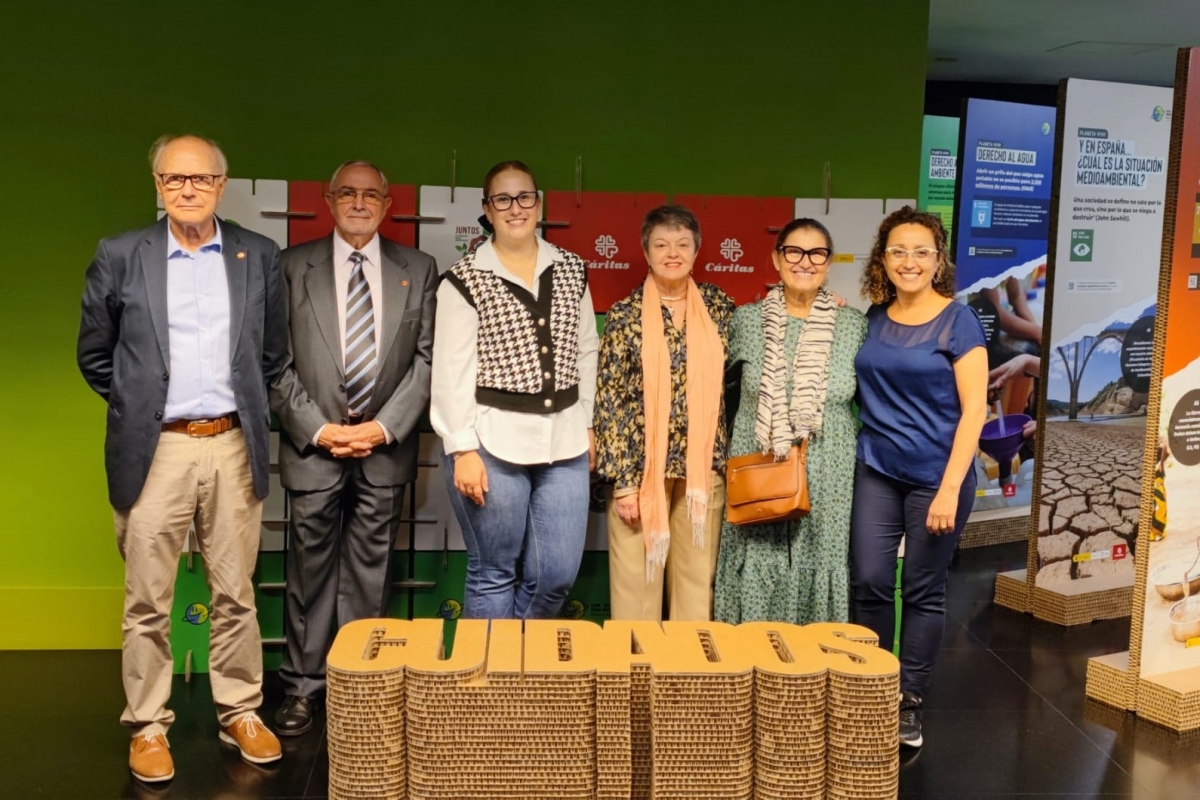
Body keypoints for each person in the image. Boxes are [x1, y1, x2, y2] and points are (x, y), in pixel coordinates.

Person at [77, 134, 287, 782]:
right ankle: (147, 723)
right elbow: (95, 355)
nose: (187, 189)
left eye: (199, 179)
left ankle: (240, 711)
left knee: (236, 594)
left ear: (222, 186)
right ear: (158, 187)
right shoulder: (120, 255)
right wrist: (142, 407)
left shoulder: (259, 255)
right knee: (147, 600)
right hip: (157, 448)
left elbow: (274, 355)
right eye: (174, 179)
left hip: (232, 445)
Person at [268, 160, 437, 735]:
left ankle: (360, 685)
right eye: (348, 193)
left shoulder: (419, 268)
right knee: (308, 571)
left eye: (371, 194)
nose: (360, 202)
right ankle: (303, 688)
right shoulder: (290, 267)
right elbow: (274, 362)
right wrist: (320, 429)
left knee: (372, 570)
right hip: (315, 446)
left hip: (384, 448)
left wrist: (382, 427)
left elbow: (427, 360)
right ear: (328, 199)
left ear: (387, 203)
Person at [430, 160, 597, 619]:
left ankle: (517, 668)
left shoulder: (571, 269)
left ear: (539, 203)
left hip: (565, 441)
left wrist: (587, 422)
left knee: (556, 575)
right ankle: (491, 684)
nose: (515, 208)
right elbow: (451, 370)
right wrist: (461, 447)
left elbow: (586, 350)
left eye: (524, 197)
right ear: (487, 209)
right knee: (494, 571)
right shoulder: (463, 280)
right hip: (490, 442)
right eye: (502, 199)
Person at [850, 206, 988, 749]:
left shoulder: (959, 321)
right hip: (878, 470)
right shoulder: (873, 318)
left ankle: (908, 701)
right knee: (869, 582)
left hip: (938, 475)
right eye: (898, 251)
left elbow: (974, 411)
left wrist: (950, 488)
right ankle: (869, 686)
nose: (909, 262)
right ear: (883, 259)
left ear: (939, 260)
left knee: (924, 590)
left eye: (921, 252)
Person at [714, 219, 866, 625]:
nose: (805, 262)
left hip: (827, 466)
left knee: (822, 557)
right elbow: (719, 393)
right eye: (794, 252)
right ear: (776, 259)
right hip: (760, 462)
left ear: (829, 263)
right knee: (758, 555)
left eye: (816, 253)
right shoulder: (744, 321)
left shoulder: (852, 326)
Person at [593, 205, 733, 622]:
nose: (672, 253)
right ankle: (636, 680)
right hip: (639, 473)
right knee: (637, 587)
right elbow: (610, 400)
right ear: (645, 252)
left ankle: (686, 681)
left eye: (682, 244)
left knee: (696, 585)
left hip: (702, 473)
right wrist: (622, 483)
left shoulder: (720, 308)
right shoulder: (624, 314)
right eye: (661, 244)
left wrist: (823, 301)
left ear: (697, 250)